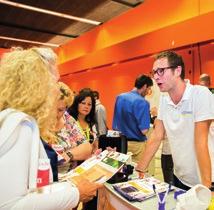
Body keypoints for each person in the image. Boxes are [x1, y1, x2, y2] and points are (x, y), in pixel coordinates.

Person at [0, 47, 102, 209]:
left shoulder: (14, 120)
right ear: (37, 85)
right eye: (54, 82)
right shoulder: (20, 125)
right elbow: (11, 205)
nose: (56, 89)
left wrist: (69, 186)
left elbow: (32, 190)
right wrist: (75, 193)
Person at [136, 51, 214, 193]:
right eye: (154, 72)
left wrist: (207, 187)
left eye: (161, 71)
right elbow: (156, 136)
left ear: (177, 70)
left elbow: (200, 142)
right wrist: (140, 168)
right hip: (180, 176)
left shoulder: (200, 94)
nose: (156, 77)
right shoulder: (164, 100)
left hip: (205, 179)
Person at [51, 82, 94, 173]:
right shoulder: (39, 122)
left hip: (69, 177)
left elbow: (87, 148)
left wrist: (68, 155)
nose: (55, 113)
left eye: (60, 110)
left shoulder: (68, 120)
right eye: (51, 108)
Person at [112, 74, 153, 165]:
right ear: (145, 86)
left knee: (119, 171)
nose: (148, 92)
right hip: (136, 146)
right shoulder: (143, 102)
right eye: (149, 89)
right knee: (136, 173)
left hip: (119, 142)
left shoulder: (120, 97)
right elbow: (144, 130)